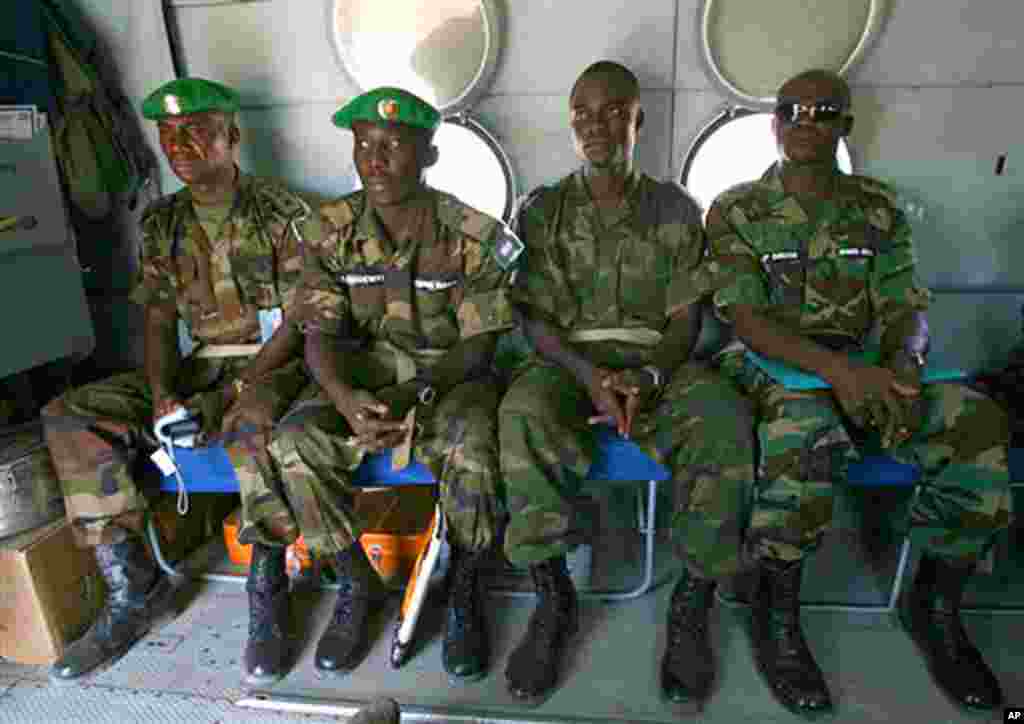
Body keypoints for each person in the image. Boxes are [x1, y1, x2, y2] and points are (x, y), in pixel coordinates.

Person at [705, 68, 1011, 716]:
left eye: (823, 110)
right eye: (792, 109)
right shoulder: (735, 209)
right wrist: (841, 376)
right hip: (766, 367)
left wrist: (903, 361)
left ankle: (933, 603)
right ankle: (775, 612)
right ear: (775, 123)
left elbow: (906, 304)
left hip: (864, 362)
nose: (805, 120)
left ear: (846, 125)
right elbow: (748, 321)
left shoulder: (878, 207)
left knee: (973, 420)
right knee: (806, 426)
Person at [498, 61, 756, 705]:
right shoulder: (544, 210)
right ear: (570, 123)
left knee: (723, 419)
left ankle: (694, 602)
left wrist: (647, 373)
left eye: (614, 111)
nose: (597, 125)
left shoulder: (674, 208)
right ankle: (552, 596)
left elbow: (684, 320)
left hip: (656, 365)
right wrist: (589, 377)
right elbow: (535, 321)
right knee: (522, 414)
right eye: (583, 112)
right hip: (567, 364)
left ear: (638, 120)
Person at [41, 77, 312, 684]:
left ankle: (268, 588)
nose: (179, 145)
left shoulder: (282, 212)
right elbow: (158, 319)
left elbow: (299, 323)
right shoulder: (162, 222)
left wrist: (229, 392)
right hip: (200, 364)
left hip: (273, 364)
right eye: (168, 134)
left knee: (251, 426)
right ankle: (135, 590)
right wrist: (163, 389)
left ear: (231, 136)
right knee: (70, 413)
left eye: (195, 130)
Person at [271, 87, 519, 681]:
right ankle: (356, 583)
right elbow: (318, 333)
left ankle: (464, 587)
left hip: (446, 381)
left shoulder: (471, 232)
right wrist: (343, 398)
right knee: (293, 441)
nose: (374, 159)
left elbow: (479, 344)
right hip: (359, 385)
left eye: (392, 146)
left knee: (475, 442)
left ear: (428, 155)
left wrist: (413, 396)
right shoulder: (328, 231)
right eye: (363, 145)